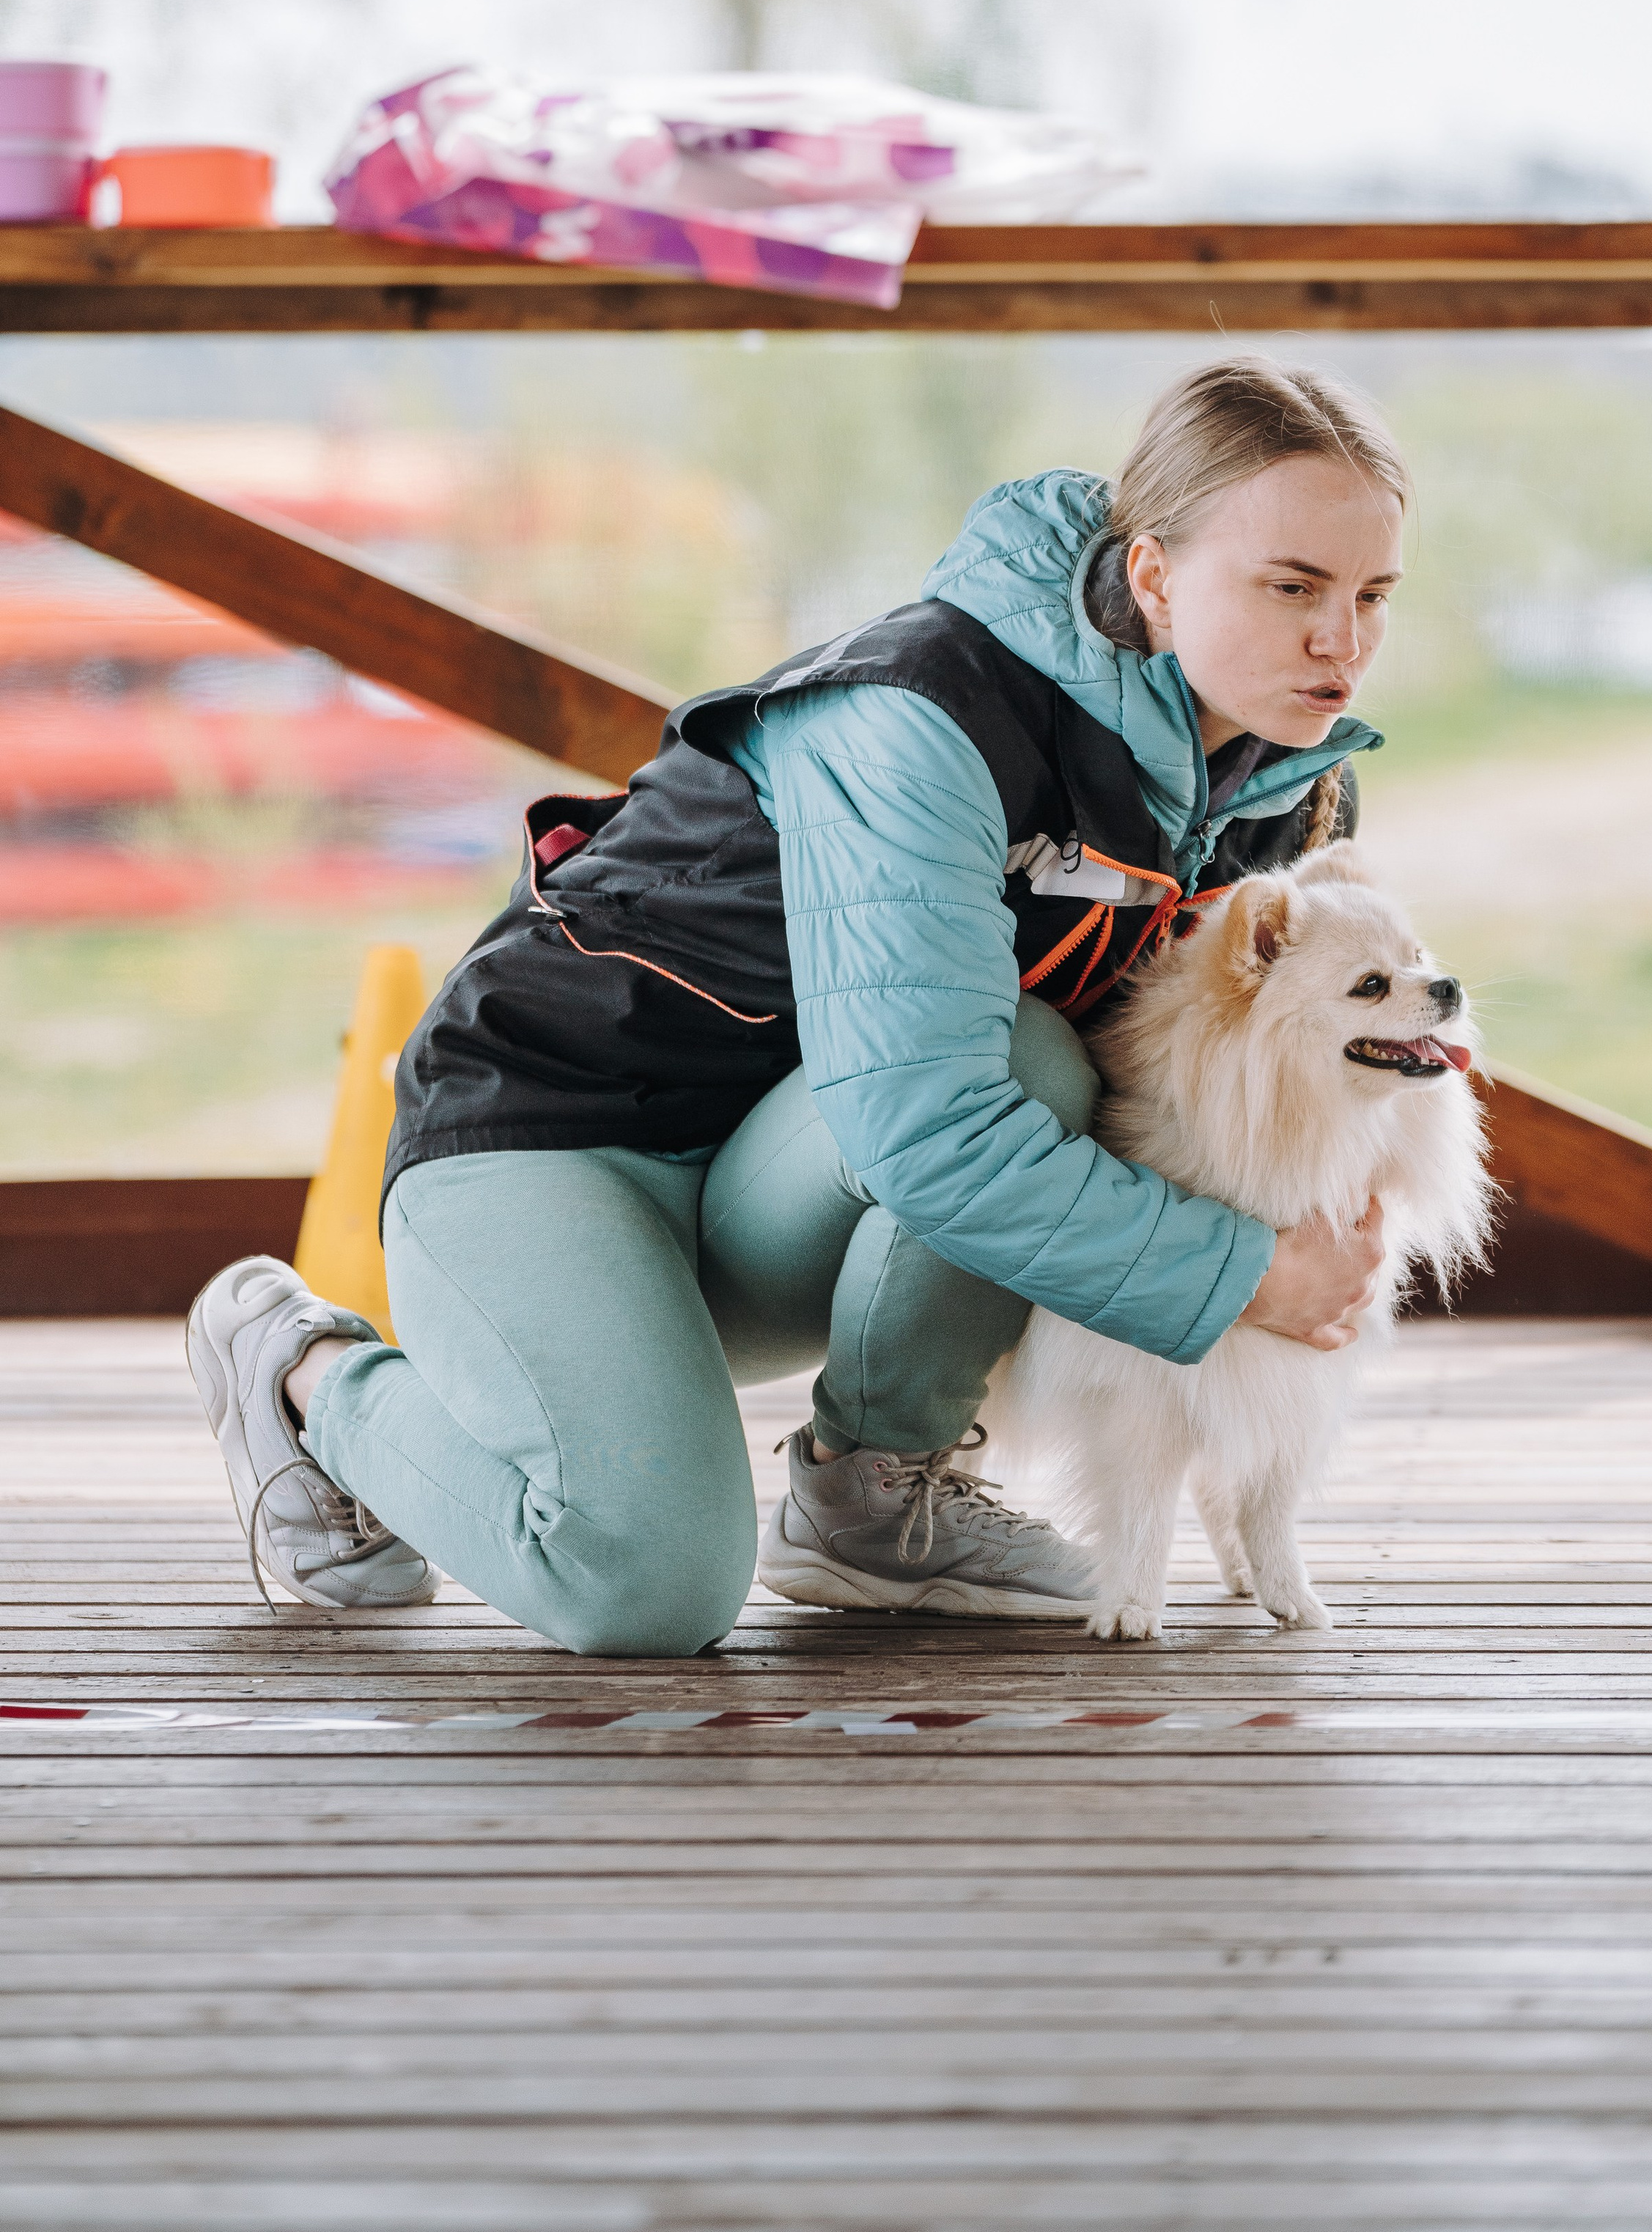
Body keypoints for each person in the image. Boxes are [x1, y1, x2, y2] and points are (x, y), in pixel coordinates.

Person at [187, 356, 1407, 1656]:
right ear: (1155, 574)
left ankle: (873, 1496)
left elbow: (1173, 1094)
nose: (1343, 642)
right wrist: (1242, 1275)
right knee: (646, 1586)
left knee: (1038, 1058)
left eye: (1374, 595)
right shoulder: (925, 713)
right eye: (1293, 588)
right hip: (548, 1134)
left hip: (779, 1180)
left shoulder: (1280, 784)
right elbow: (932, 1128)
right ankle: (305, 1369)